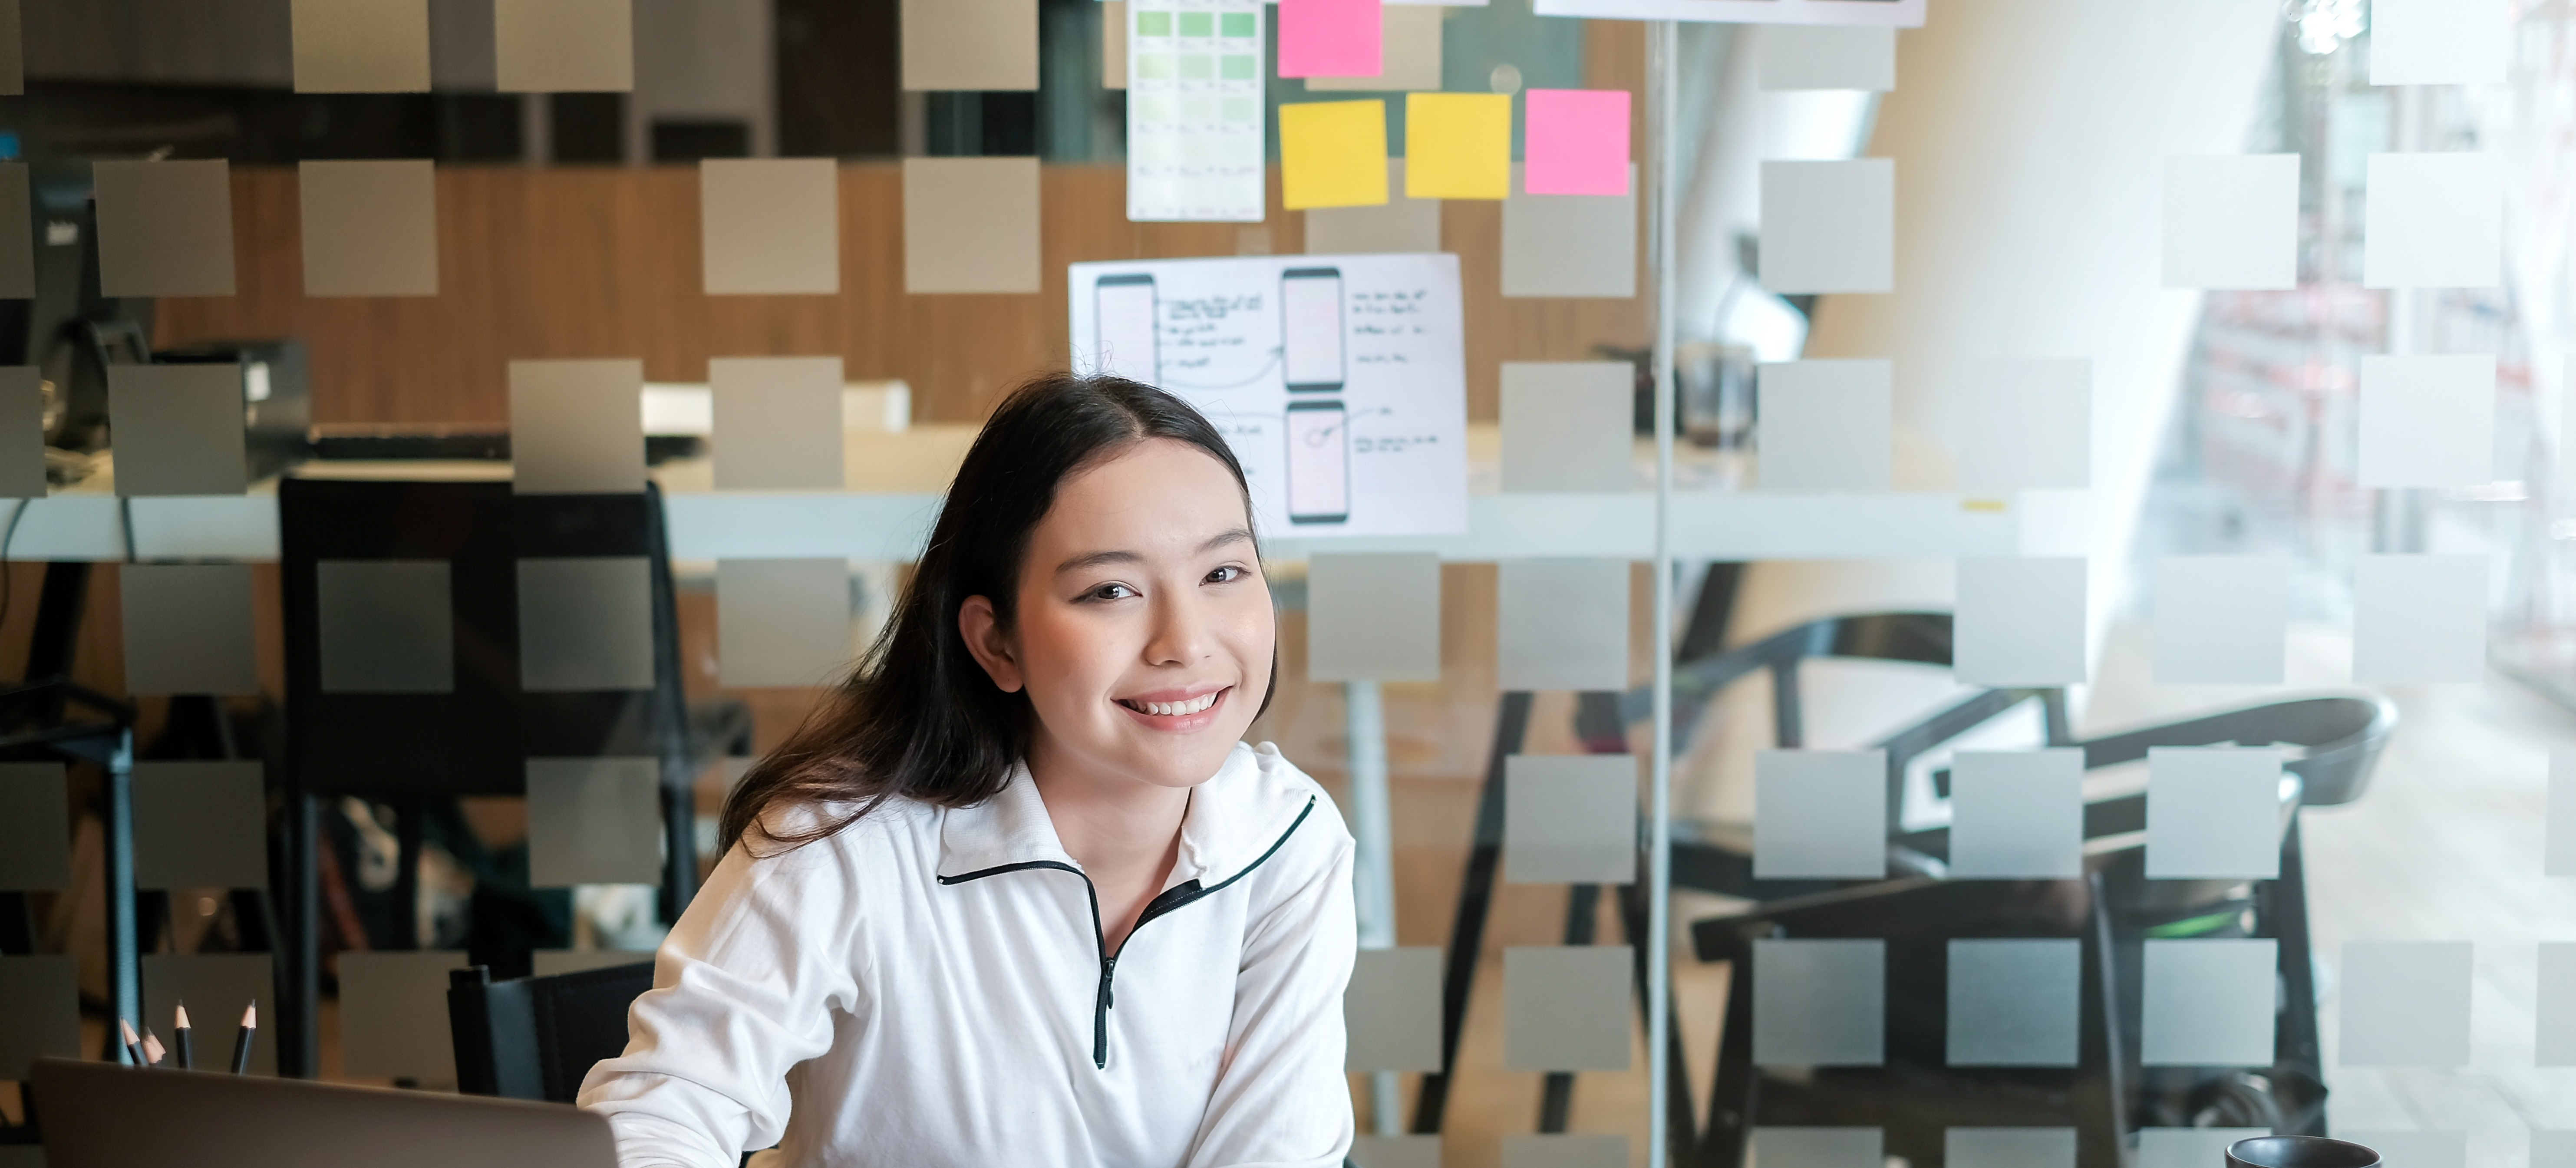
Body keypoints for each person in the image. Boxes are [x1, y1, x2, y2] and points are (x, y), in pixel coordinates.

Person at [577, 373, 1357, 1168]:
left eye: (1223, 573)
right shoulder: (841, 842)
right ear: (997, 643)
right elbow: (655, 1122)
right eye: (1111, 590)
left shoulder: (1288, 843)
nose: (1185, 642)